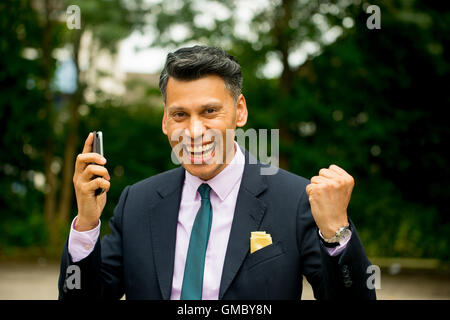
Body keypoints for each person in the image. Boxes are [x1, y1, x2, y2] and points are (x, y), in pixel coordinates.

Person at [58, 45, 376, 300]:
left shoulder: (294, 200)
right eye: (180, 114)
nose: (194, 131)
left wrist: (337, 233)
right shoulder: (137, 202)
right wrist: (86, 226)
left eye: (210, 111)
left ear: (239, 111)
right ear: (165, 122)